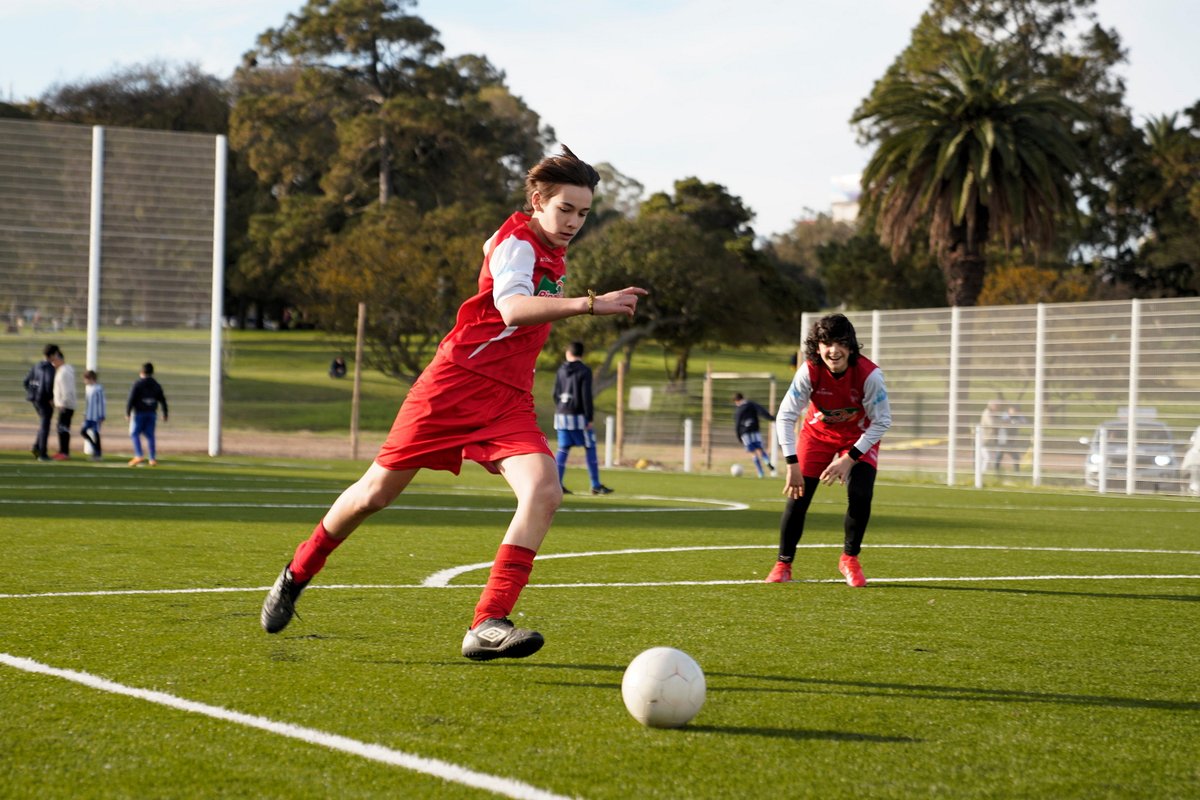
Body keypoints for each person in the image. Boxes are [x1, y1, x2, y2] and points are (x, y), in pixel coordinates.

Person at [259, 146, 647, 661]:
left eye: (583, 213)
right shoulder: (521, 243)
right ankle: (296, 573)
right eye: (565, 210)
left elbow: (493, 251)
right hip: (452, 387)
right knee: (374, 494)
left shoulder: (541, 245)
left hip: (506, 400)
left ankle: (487, 622)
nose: (575, 221)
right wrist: (589, 303)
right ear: (537, 201)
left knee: (545, 491)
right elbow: (510, 308)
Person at [765, 313, 892, 587]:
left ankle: (849, 558)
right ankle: (783, 563)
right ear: (817, 346)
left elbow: (882, 421)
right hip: (817, 435)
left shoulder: (870, 375)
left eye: (840, 343)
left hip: (858, 436)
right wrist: (792, 464)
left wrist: (849, 459)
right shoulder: (809, 371)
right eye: (826, 343)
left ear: (851, 346)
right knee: (798, 498)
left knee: (860, 493)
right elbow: (785, 416)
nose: (833, 350)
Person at [553, 341, 613, 495]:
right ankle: (595, 484)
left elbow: (555, 393)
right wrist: (589, 417)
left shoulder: (561, 370)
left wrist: (560, 407)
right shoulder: (584, 370)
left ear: (568, 353)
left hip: (561, 415)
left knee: (563, 449)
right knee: (590, 446)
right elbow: (586, 395)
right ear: (582, 354)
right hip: (578, 416)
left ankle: (557, 483)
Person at [126, 362, 169, 467]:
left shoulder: (138, 384)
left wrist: (128, 412)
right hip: (152, 413)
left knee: (134, 434)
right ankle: (152, 458)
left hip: (139, 413)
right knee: (150, 435)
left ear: (141, 372)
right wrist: (165, 413)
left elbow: (131, 399)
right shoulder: (156, 384)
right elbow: (162, 400)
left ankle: (139, 455)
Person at [23, 343, 58, 462]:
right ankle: (42, 453)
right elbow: (48, 384)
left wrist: (33, 393)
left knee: (43, 424)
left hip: (35, 399)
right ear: (52, 355)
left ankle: (36, 448)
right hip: (44, 400)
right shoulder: (49, 368)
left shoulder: (36, 366)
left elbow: (26, 381)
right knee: (45, 426)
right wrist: (51, 398)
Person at [733, 392, 777, 478]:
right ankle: (767, 461)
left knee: (753, 452)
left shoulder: (738, 410)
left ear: (737, 401)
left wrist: (738, 436)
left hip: (745, 433)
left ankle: (760, 473)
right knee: (760, 449)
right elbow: (762, 411)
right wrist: (771, 418)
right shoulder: (751, 404)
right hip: (755, 430)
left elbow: (737, 424)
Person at [50, 347, 76, 460]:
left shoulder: (65, 372)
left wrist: (63, 403)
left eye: (54, 360)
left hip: (66, 405)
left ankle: (65, 452)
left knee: (63, 428)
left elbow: (67, 390)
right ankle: (62, 451)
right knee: (61, 428)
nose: (53, 363)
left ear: (59, 359)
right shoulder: (62, 371)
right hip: (63, 405)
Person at [81, 369, 107, 461]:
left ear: (91, 378)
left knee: (96, 434)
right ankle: (95, 449)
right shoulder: (88, 388)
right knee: (83, 431)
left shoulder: (98, 389)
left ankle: (98, 454)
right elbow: (87, 403)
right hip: (88, 416)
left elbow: (102, 403)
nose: (84, 381)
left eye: (86, 379)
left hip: (96, 417)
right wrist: (85, 413)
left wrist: (102, 415)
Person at [979, 400, 1004, 475]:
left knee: (992, 458)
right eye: (996, 406)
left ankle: (991, 474)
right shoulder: (987, 413)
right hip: (985, 439)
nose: (997, 408)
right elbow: (991, 424)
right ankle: (982, 474)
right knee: (987, 458)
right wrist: (1001, 422)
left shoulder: (994, 414)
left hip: (991, 440)